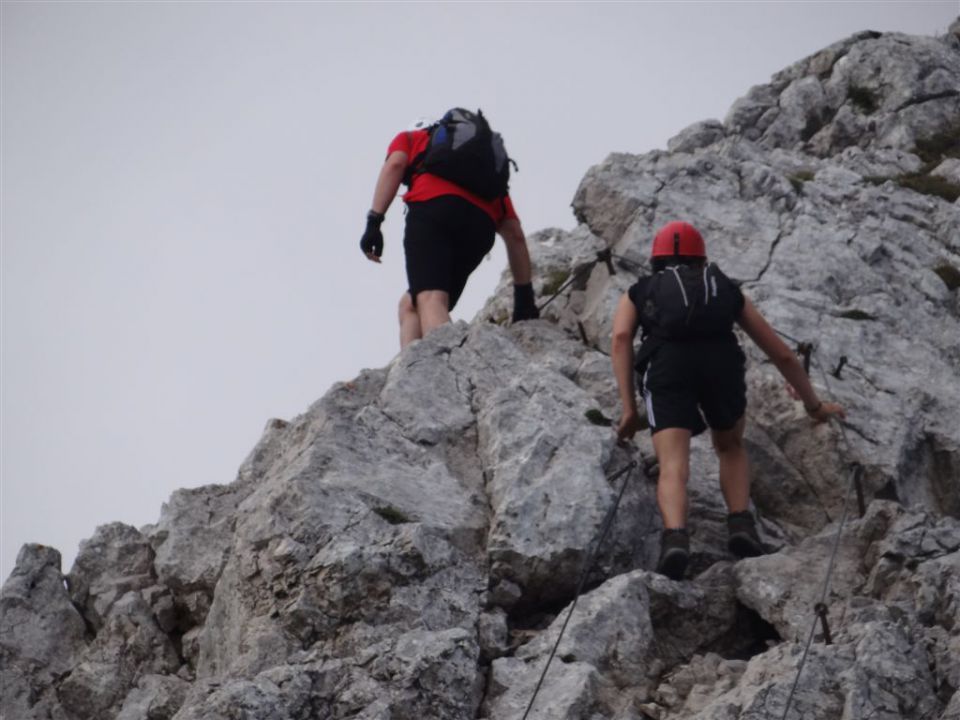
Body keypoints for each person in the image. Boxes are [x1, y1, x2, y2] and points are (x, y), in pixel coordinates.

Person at [611, 220, 845, 581]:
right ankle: (740, 525)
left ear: (656, 261)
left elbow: (622, 336)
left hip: (668, 367)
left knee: (673, 464)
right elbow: (781, 353)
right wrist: (815, 406)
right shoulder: (724, 288)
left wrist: (628, 409)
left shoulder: (640, 290)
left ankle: (676, 538)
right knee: (730, 446)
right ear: (701, 261)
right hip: (722, 365)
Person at [359, 111, 539, 348]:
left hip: (433, 208)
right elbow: (514, 234)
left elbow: (395, 164)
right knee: (411, 304)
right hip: (480, 228)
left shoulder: (411, 137)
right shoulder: (482, 171)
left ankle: (446, 372)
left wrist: (375, 221)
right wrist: (524, 296)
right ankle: (413, 369)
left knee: (431, 298)